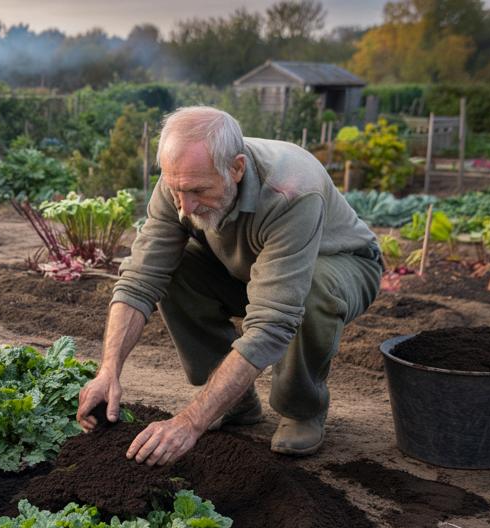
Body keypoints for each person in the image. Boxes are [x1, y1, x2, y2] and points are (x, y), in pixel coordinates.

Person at [75, 106, 381, 466]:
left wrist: (190, 422)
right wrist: (108, 371)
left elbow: (272, 322)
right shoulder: (182, 180)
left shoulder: (292, 191)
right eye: (176, 190)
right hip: (249, 269)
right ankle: (233, 401)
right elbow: (141, 278)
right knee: (176, 267)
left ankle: (301, 409)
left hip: (340, 265)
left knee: (312, 292)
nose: (185, 208)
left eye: (197, 191)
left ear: (236, 168)